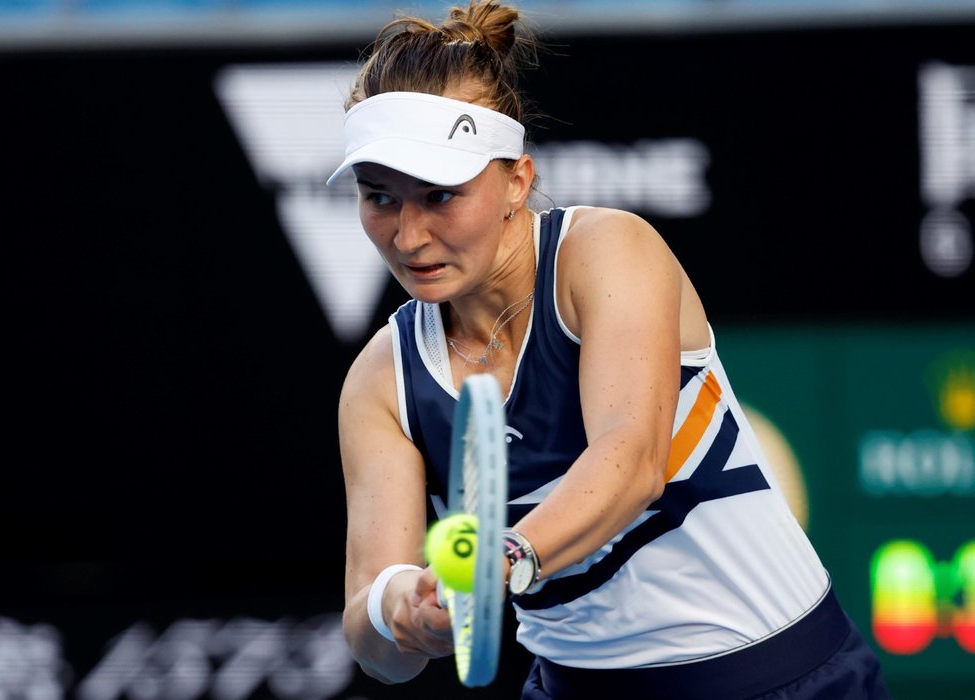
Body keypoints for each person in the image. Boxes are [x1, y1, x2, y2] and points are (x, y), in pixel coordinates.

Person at [327, 1, 892, 698]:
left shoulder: (606, 252)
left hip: (782, 678)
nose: (407, 237)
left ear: (516, 182)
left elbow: (630, 464)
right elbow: (374, 640)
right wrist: (404, 612)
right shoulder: (381, 382)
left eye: (441, 195)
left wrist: (502, 562)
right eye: (379, 197)